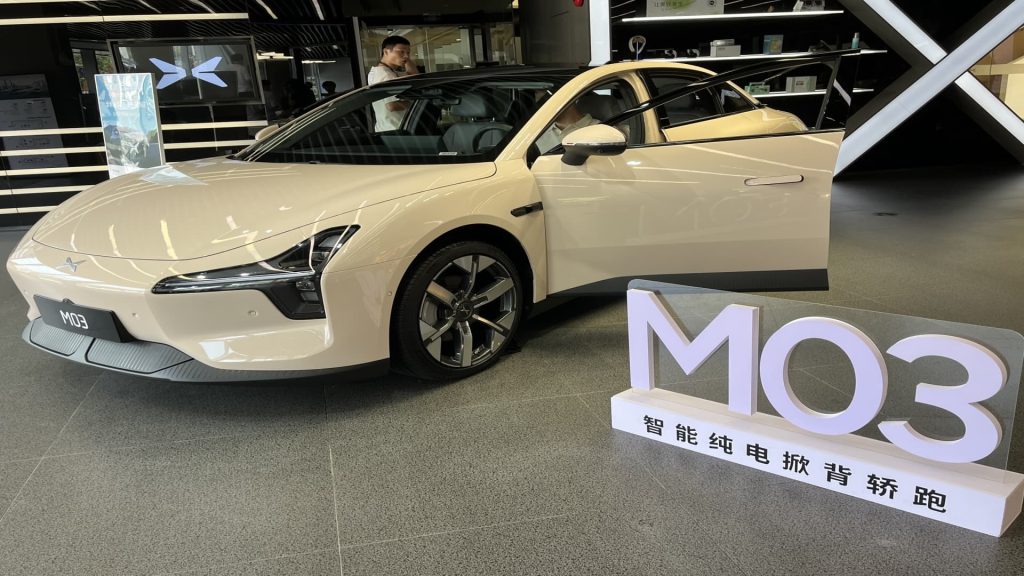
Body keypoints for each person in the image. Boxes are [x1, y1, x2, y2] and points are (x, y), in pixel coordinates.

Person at [367, 35, 419, 131]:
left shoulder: (381, 71)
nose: (406, 56)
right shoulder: (386, 75)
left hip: (387, 128)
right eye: (401, 52)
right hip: (395, 130)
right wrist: (418, 103)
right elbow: (392, 105)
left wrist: (405, 58)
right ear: (386, 52)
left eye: (408, 52)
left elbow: (414, 76)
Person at [536, 102, 601, 154]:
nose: (540, 108)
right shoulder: (537, 134)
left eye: (545, 102)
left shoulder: (600, 129)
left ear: (568, 102)